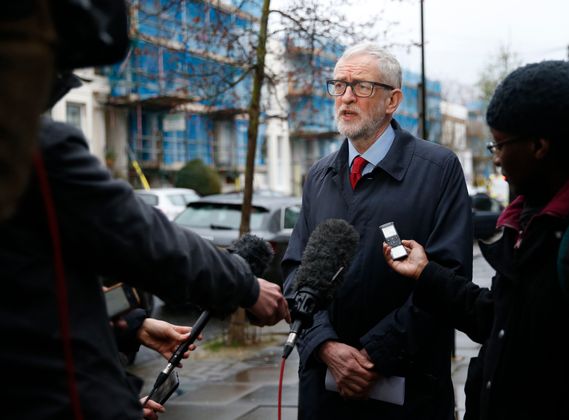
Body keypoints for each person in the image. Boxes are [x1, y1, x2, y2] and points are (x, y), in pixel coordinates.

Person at [0, 71, 290, 419]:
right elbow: (145, 237)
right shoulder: (26, 147)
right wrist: (244, 284)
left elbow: (39, 292)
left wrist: (132, 325)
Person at [383, 60, 569, 420]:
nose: (496, 159)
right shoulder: (532, 220)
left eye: (499, 145)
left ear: (539, 146)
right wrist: (426, 273)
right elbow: (499, 320)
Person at [282, 42, 472, 419]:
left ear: (392, 100)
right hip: (324, 390)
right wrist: (325, 345)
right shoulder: (319, 175)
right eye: (339, 86)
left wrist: (373, 356)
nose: (346, 98)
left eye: (361, 86)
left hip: (408, 389)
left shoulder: (437, 170)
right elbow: (295, 271)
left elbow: (447, 278)